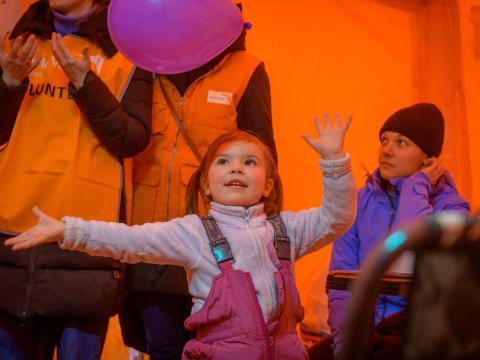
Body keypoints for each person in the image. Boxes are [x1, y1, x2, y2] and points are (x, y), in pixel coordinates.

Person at [6, 114, 356, 359]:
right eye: (224, 162)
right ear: (205, 184)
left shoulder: (288, 230)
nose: (236, 167)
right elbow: (130, 241)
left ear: (267, 185)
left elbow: (336, 218)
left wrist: (334, 161)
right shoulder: (194, 233)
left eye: (250, 162)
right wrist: (70, 230)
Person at [121, 3, 277, 359]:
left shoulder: (246, 71)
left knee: (216, 348)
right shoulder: (146, 61)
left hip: (213, 244)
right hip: (151, 239)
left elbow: (263, 159)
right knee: (161, 346)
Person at [0, 0, 152, 358]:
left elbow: (132, 139)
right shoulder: (15, 42)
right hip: (12, 238)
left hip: (85, 241)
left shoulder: (127, 53)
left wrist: (85, 83)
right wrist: (8, 81)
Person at [326, 103, 470, 359]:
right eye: (384, 140)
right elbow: (341, 280)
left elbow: (415, 261)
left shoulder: (452, 208)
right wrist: (346, 343)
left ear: (428, 158)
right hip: (362, 330)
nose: (387, 151)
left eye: (401, 142)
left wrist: (417, 187)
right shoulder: (360, 201)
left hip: (415, 333)